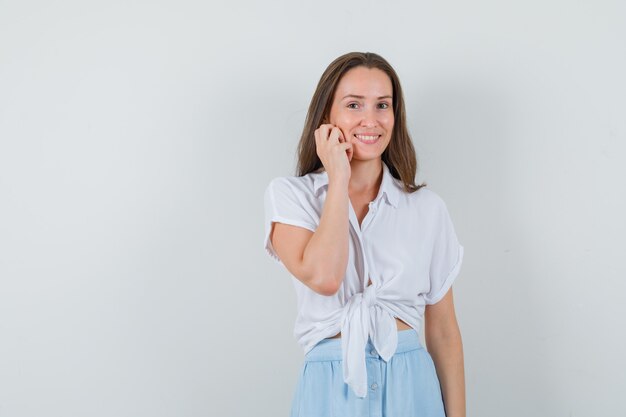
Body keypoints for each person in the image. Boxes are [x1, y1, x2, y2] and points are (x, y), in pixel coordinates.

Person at [263, 52, 466, 417]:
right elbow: (325, 277)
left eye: (382, 105)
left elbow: (445, 334)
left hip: (411, 385)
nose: (370, 120)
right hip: (330, 387)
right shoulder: (290, 197)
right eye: (354, 104)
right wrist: (337, 177)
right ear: (327, 116)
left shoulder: (427, 209)